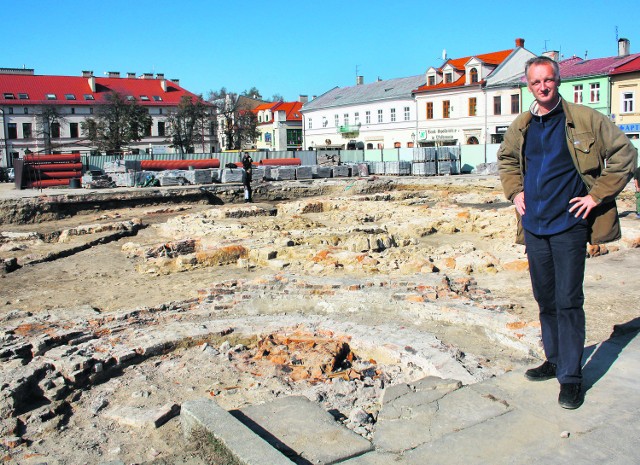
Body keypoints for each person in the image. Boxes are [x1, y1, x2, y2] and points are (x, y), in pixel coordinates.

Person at [498, 56, 637, 409]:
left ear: (557, 80)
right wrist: (515, 193)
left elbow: (625, 154)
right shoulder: (523, 125)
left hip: (569, 226)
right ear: (528, 86)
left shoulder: (586, 119)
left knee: (568, 300)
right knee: (545, 300)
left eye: (548, 80)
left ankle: (572, 377)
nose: (542, 87)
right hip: (534, 226)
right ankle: (555, 359)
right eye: (535, 82)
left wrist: (595, 196)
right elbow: (507, 160)